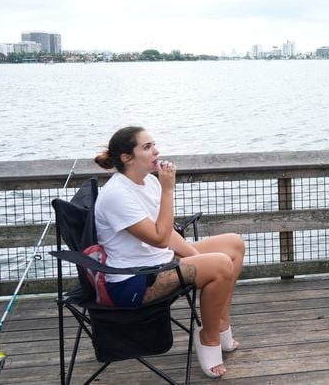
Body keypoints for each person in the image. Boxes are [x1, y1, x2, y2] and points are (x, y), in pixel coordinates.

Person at [93, 126, 245, 379]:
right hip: (133, 281)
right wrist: (168, 190)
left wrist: (194, 255)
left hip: (161, 263)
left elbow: (168, 234)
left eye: (154, 144)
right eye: (147, 147)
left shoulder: (148, 182)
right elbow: (160, 238)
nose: (157, 151)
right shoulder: (117, 194)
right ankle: (207, 338)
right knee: (219, 264)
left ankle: (219, 323)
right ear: (126, 158)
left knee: (234, 244)